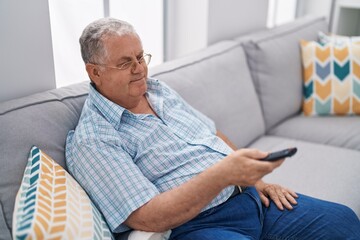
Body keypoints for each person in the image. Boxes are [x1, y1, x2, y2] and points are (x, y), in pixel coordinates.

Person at [66, 17, 360, 239]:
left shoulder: (158, 91)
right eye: (126, 62)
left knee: (344, 222)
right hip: (200, 224)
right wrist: (224, 175)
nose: (140, 68)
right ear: (95, 72)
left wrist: (258, 181)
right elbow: (147, 217)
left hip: (250, 197)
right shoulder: (93, 139)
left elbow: (212, 135)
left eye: (141, 57)